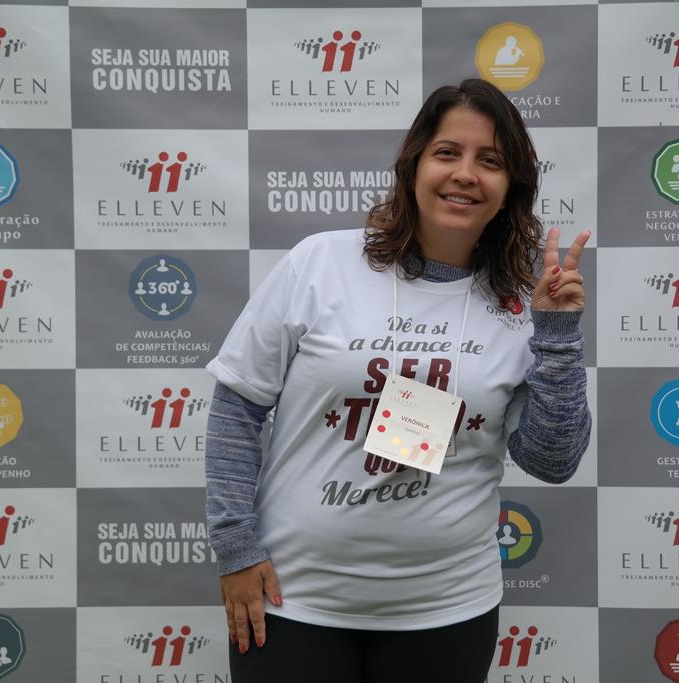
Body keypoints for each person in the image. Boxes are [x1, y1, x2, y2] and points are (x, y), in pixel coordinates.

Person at [204, 78, 592, 683]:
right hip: (293, 598)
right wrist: (235, 548)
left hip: (447, 611)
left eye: (490, 161)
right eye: (447, 153)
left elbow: (552, 460)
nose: (465, 174)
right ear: (413, 166)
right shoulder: (321, 263)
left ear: (511, 187)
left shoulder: (521, 306)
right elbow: (237, 407)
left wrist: (558, 333)